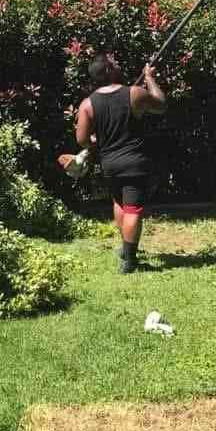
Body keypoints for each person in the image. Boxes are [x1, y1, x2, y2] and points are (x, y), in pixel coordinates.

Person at [75, 53, 166, 273]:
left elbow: (82, 140)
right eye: (113, 62)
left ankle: (126, 248)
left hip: (110, 165)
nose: (118, 63)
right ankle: (129, 259)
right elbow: (160, 104)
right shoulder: (134, 93)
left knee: (119, 204)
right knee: (133, 210)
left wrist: (95, 139)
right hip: (134, 163)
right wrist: (149, 78)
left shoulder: (87, 104)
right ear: (107, 70)